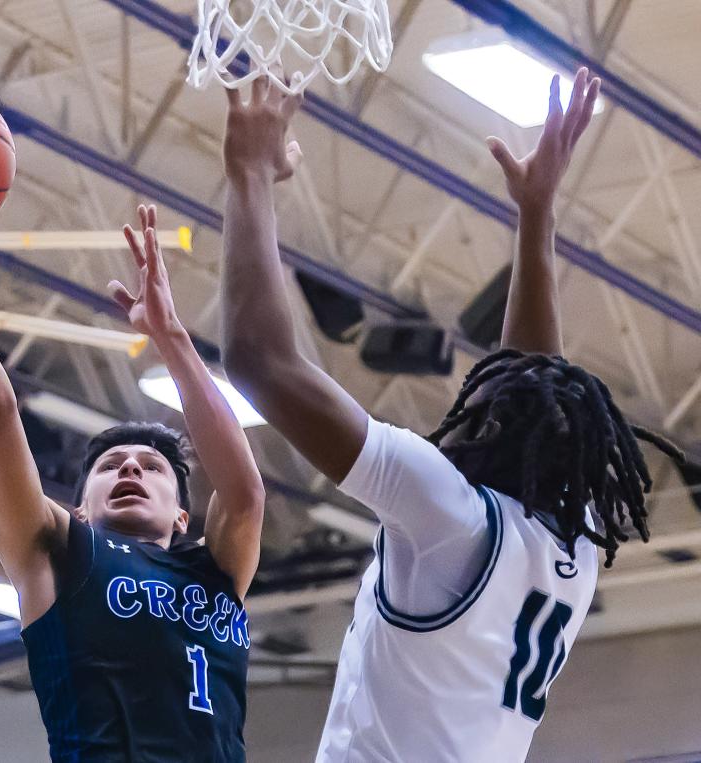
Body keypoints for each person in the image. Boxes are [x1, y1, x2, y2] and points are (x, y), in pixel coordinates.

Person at [220, 68, 683, 762]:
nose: (467, 409)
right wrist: (536, 216)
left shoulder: (449, 513)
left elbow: (260, 360)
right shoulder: (572, 555)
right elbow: (530, 381)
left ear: (497, 434)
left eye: (487, 404)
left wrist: (251, 176)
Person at [0, 117, 265, 762]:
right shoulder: (57, 549)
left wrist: (173, 339)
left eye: (152, 466)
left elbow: (243, 495)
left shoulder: (214, 570)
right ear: (80, 506)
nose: (130, 468)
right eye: (110, 465)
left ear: (183, 516)